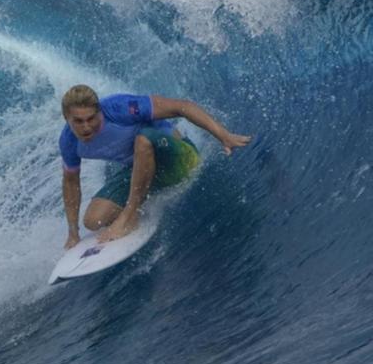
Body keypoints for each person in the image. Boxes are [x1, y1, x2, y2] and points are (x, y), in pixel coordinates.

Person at [59, 84, 251, 249]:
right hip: (145, 173)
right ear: (66, 119)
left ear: (100, 111)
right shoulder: (68, 142)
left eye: (91, 118)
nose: (86, 127)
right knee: (93, 221)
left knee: (142, 141)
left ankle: (130, 215)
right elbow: (70, 183)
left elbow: (181, 106)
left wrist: (224, 135)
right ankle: (137, 205)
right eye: (78, 121)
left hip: (180, 159)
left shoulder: (119, 108)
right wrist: (73, 232)